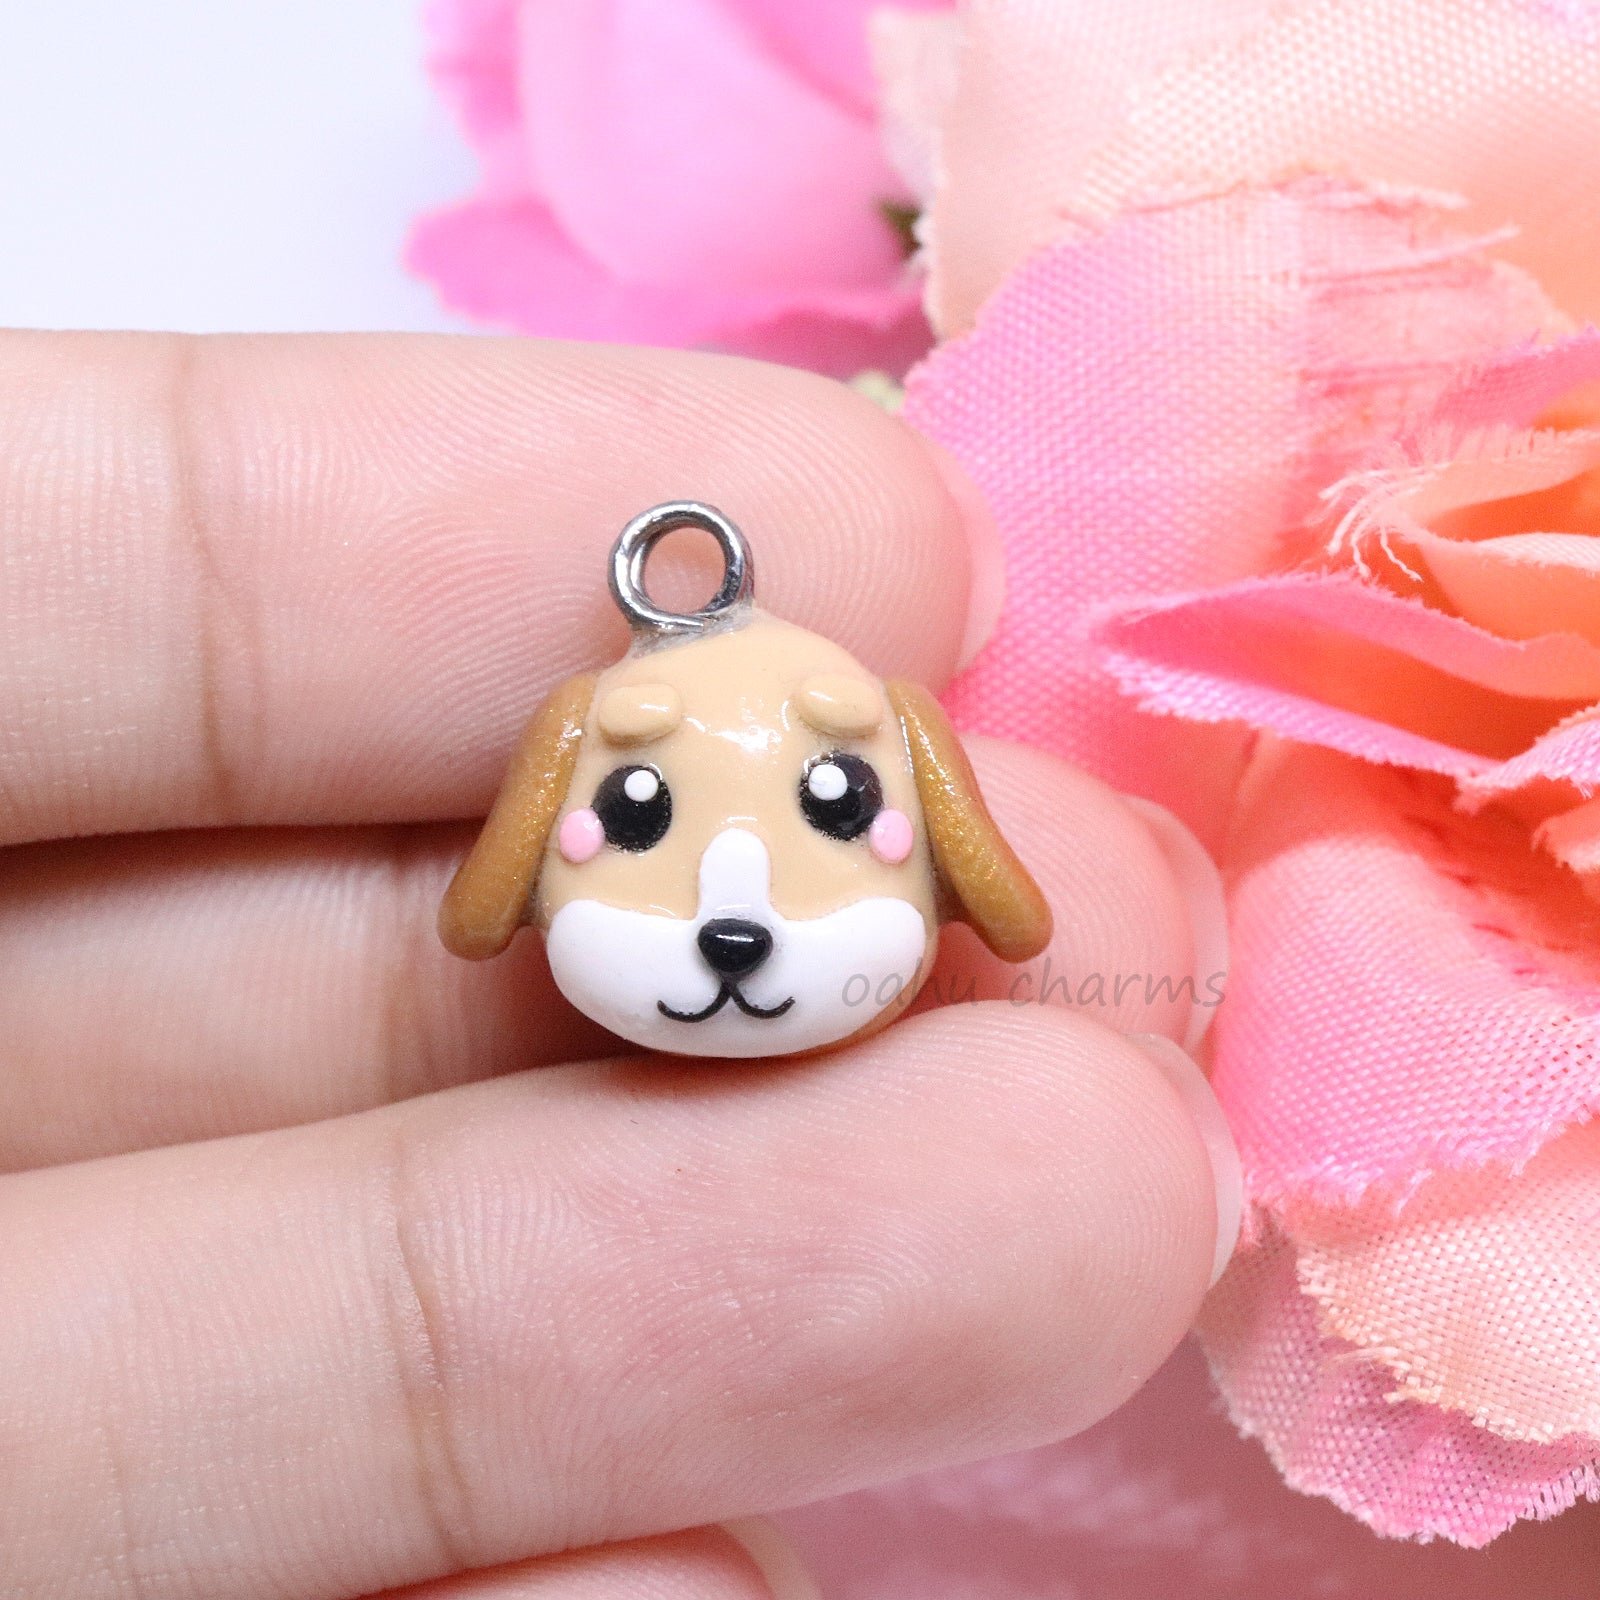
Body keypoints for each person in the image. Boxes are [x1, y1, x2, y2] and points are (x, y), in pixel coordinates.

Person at [0, 331, 1237, 1600]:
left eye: (835, 800)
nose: (734, 926)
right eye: (632, 811)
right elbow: (480, 918)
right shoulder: (589, 729)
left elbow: (1012, 918)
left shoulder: (861, 724)